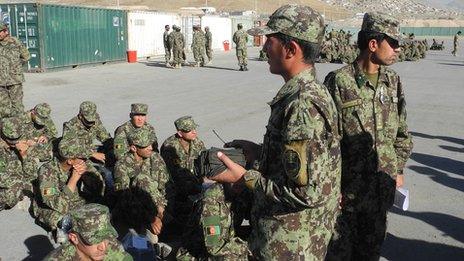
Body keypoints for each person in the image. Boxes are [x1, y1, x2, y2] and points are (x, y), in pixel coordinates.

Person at [209, 5, 342, 260]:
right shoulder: (310, 92)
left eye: (269, 41)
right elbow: (310, 167)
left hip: (288, 244)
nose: (264, 48)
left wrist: (244, 177)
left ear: (291, 49)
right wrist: (259, 151)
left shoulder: (302, 105)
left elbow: (303, 193)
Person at [323, 12, 413, 260]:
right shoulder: (338, 81)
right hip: (346, 198)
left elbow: (402, 133)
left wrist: (398, 169)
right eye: (392, 43)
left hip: (379, 195)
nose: (398, 48)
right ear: (373, 44)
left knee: (370, 254)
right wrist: (331, 187)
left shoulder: (392, 81)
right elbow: (325, 141)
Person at [33, 135, 105, 231]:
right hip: (51, 207)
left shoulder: (82, 163)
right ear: (70, 160)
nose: (86, 160)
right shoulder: (47, 171)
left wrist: (85, 174)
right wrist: (73, 179)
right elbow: (58, 205)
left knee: (103, 205)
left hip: (75, 202)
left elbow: (100, 189)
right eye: (83, 158)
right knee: (60, 219)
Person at [113, 128, 170, 236]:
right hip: (136, 212)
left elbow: (166, 186)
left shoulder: (155, 158)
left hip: (160, 207)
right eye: (145, 146)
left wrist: (162, 211)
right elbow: (125, 199)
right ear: (134, 148)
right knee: (141, 179)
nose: (151, 148)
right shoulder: (121, 166)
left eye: (150, 144)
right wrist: (151, 218)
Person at [160, 116, 205, 239]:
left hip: (195, 184)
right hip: (176, 186)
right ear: (180, 133)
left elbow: (203, 164)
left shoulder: (198, 143)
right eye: (190, 130)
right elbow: (171, 172)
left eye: (194, 128)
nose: (194, 132)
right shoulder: (169, 146)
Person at [43, 203, 132, 261]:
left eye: (106, 237)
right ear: (74, 238)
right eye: (95, 240)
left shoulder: (112, 245)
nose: (103, 247)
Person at [0, 117, 38, 210]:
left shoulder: (22, 139)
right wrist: (19, 184)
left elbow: (32, 173)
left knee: (39, 186)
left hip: (16, 177)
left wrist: (24, 154)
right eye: (10, 140)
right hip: (6, 182)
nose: (14, 143)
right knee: (12, 194)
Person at [0, 21, 30, 118]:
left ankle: (20, 129)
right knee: (3, 109)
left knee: (17, 108)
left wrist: (16, 66)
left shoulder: (15, 42)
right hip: (1, 82)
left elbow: (26, 56)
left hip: (15, 81)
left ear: (6, 31)